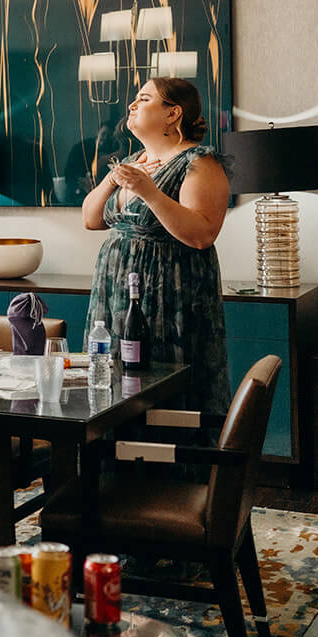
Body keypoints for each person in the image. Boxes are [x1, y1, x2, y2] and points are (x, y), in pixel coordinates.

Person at [83, 77, 231, 416]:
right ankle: (112, 463)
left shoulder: (199, 163)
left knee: (161, 378)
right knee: (113, 377)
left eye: (144, 98)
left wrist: (149, 191)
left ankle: (170, 463)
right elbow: (91, 219)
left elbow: (202, 234)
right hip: (115, 289)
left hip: (170, 288)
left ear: (172, 113)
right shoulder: (134, 160)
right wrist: (115, 175)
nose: (132, 105)